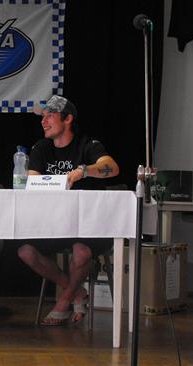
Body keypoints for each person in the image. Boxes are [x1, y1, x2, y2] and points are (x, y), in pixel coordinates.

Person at [17, 95, 120, 326]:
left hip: (89, 224)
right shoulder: (41, 148)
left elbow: (112, 168)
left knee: (81, 252)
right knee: (25, 251)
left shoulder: (88, 145)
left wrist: (84, 171)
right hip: (55, 222)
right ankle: (76, 292)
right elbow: (33, 182)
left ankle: (63, 303)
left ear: (68, 119)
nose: (43, 121)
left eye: (50, 116)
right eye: (43, 117)